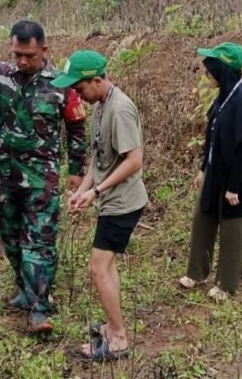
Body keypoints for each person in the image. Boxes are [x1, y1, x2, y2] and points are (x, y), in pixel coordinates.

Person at [0, 20, 88, 333]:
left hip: (41, 179)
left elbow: (76, 128)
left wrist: (76, 169)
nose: (22, 61)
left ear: (44, 49)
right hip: (4, 174)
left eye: (29, 55)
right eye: (17, 53)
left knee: (39, 243)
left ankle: (40, 308)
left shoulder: (62, 83)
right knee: (11, 240)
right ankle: (24, 289)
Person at [60, 50, 148, 361]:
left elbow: (134, 161)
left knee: (98, 269)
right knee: (106, 267)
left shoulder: (120, 110)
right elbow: (99, 163)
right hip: (110, 198)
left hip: (122, 202)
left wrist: (96, 192)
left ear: (97, 80)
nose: (77, 95)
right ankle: (113, 327)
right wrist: (82, 191)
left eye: (80, 88)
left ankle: (119, 338)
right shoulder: (100, 105)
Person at [179, 42, 242, 301]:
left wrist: (234, 187)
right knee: (202, 217)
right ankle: (197, 272)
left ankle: (226, 285)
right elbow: (213, 138)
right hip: (216, 173)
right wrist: (204, 169)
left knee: (232, 229)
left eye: (211, 70)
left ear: (224, 71)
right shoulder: (224, 96)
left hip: (238, 180)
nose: (207, 75)